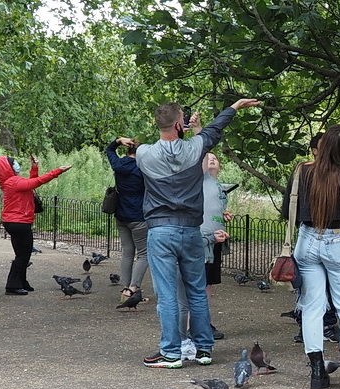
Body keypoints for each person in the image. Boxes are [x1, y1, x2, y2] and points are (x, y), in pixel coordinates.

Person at [136, 98, 260, 368]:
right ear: (180, 124)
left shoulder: (145, 153)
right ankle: (204, 349)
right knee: (196, 291)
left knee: (168, 294)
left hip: (160, 230)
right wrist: (235, 106)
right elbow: (214, 130)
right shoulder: (195, 148)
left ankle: (171, 353)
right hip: (191, 230)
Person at [281, 124, 340, 389]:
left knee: (312, 307)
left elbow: (288, 210)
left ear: (323, 146)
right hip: (338, 240)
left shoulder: (303, 171)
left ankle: (318, 374)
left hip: (307, 241)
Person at [0, 155, 72, 295]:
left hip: (13, 221)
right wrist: (57, 171)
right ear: (6, 168)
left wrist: (34, 167)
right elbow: (37, 182)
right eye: (13, 163)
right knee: (23, 256)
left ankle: (22, 282)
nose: (17, 164)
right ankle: (12, 286)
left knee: (21, 254)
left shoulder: (8, 181)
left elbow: (30, 182)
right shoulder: (13, 182)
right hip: (19, 222)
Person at [286, 132, 340, 344]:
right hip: (311, 235)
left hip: (325, 238)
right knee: (308, 286)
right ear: (315, 151)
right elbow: (289, 208)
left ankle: (326, 324)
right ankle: (307, 326)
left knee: (330, 284)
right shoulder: (304, 172)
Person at [178, 152, 231, 360]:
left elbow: (215, 209)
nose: (211, 160)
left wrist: (224, 216)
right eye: (207, 157)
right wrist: (198, 130)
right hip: (200, 241)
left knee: (206, 286)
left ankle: (201, 326)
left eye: (215, 158)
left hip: (215, 242)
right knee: (194, 289)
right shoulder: (198, 180)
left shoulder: (219, 188)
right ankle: (192, 331)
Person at [105, 137, 149, 301]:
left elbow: (109, 151)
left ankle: (125, 287)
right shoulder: (143, 169)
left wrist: (117, 141)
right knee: (144, 254)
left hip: (121, 215)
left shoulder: (118, 165)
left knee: (127, 252)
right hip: (138, 216)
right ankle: (132, 288)